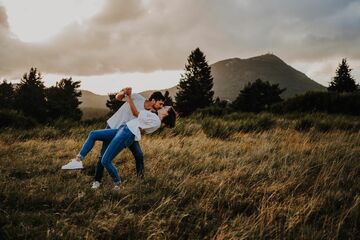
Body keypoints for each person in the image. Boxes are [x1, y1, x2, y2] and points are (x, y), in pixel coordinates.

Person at [65, 92, 177, 188]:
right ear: (153, 100)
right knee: (94, 137)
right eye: (161, 104)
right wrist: (125, 93)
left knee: (135, 156)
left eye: (163, 106)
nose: (162, 107)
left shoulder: (153, 116)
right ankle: (80, 163)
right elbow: (118, 98)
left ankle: (125, 182)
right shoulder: (139, 99)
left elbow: (138, 117)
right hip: (117, 127)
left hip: (127, 133)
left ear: (166, 114)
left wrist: (129, 99)